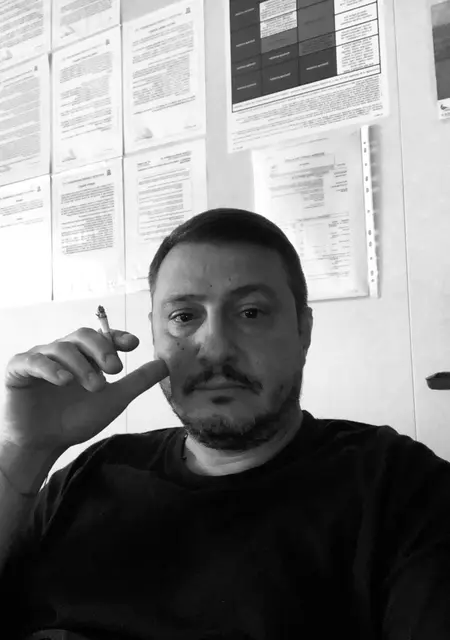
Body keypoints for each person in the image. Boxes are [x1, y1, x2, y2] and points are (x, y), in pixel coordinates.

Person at [1, 208, 450, 640]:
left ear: (303, 331)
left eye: (251, 312)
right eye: (184, 317)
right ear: (154, 335)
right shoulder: (92, 473)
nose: (215, 348)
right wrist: (24, 452)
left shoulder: (401, 488)